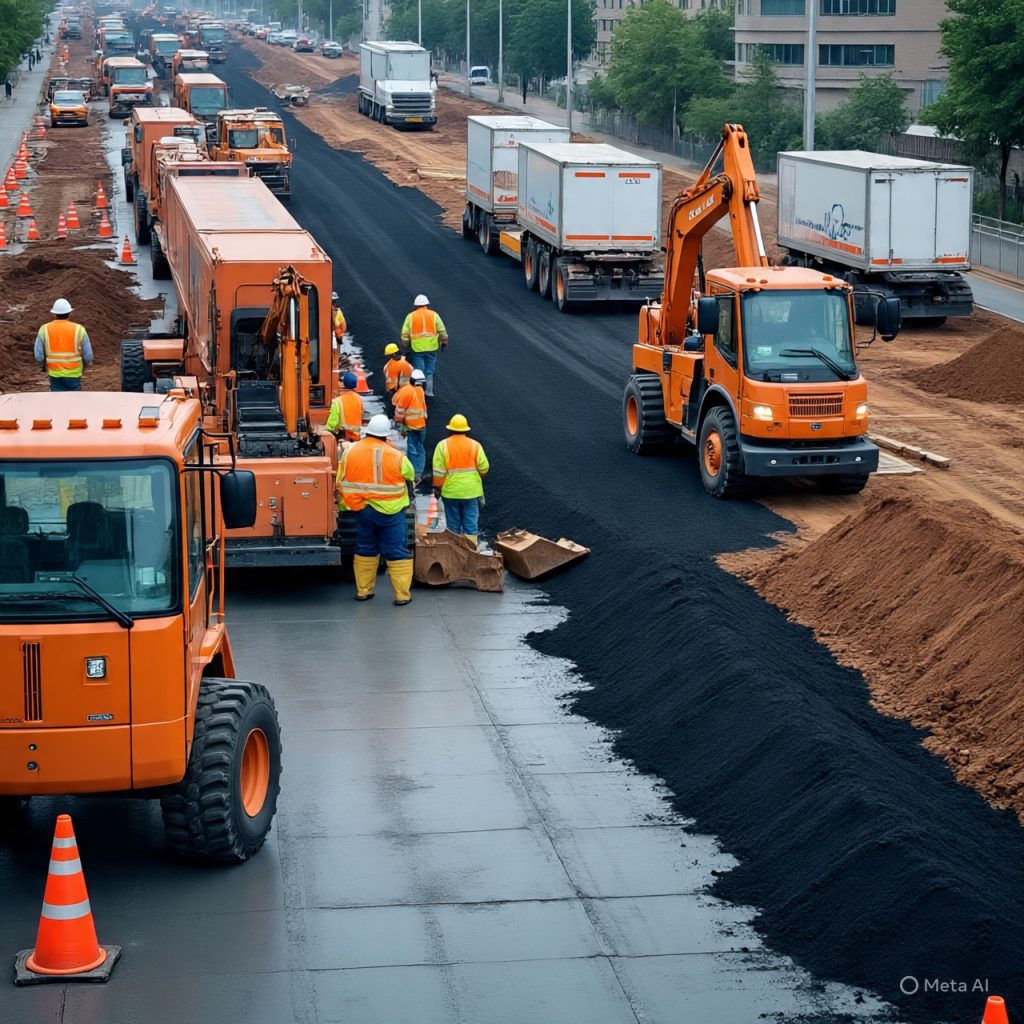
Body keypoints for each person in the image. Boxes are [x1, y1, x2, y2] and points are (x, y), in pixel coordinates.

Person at [336, 414, 415, 605]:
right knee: (396, 550)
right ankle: (402, 594)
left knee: (365, 548)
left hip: (363, 510)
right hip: (391, 511)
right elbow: (409, 474)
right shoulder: (396, 455)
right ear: (386, 435)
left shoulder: (350, 452)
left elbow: (340, 480)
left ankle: (363, 591)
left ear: (368, 431)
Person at [432, 414, 489, 548]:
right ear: (466, 430)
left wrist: (437, 487)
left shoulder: (442, 446)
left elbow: (438, 471)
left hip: (450, 493)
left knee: (453, 525)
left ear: (450, 429)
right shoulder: (475, 445)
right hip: (471, 492)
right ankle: (471, 551)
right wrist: (477, 477)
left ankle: (455, 553)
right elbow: (484, 467)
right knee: (470, 525)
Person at [35, 299, 93, 391]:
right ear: (69, 313)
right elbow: (88, 356)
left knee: (57, 401)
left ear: (54, 314)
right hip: (74, 373)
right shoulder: (79, 329)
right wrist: (85, 366)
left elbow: (39, 356)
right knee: (74, 401)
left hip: (54, 373)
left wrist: (43, 366)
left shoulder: (44, 329)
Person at [400, 293, 447, 397]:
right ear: (427, 304)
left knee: (419, 371)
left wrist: (406, 344)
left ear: (416, 305)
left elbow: (404, 333)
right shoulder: (434, 315)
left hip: (418, 349)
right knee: (429, 371)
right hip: (432, 348)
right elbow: (442, 330)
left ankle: (419, 394)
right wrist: (444, 342)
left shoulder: (411, 316)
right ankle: (429, 392)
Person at [392, 368, 428, 483]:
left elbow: (400, 410)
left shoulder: (407, 391)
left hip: (411, 426)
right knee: (420, 448)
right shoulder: (420, 390)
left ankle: (413, 473)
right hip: (421, 425)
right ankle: (419, 472)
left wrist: (400, 426)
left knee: (412, 449)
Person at [324, 372, 364, 441]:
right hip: (356, 439)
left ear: (343, 384)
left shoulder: (337, 401)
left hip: (344, 439)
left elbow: (331, 424)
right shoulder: (359, 399)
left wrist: (325, 430)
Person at [383, 342, 412, 409]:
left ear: (393, 354)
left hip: (400, 391)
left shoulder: (391, 366)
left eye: (389, 355)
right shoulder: (405, 361)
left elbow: (391, 385)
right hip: (410, 389)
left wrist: (391, 395)